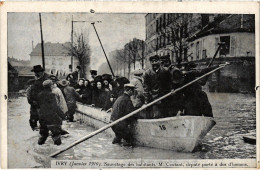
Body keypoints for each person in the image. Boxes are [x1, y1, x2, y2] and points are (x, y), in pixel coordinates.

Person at [37, 80, 66, 145]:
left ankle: (38, 148)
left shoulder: (39, 95)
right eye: (52, 85)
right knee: (56, 136)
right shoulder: (52, 95)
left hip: (42, 118)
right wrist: (63, 115)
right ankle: (58, 151)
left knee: (43, 135)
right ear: (50, 86)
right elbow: (55, 107)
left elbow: (38, 107)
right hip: (52, 118)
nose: (53, 86)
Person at [29, 65, 51, 130]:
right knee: (33, 118)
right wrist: (31, 101)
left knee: (44, 119)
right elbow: (29, 93)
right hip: (34, 102)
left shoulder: (46, 80)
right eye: (35, 72)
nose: (36, 73)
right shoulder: (34, 81)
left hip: (43, 103)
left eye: (37, 72)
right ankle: (35, 128)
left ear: (42, 72)